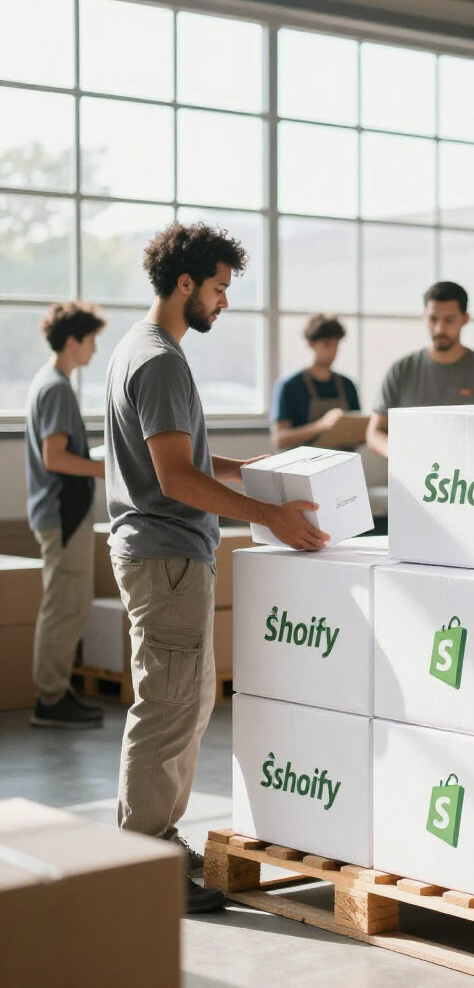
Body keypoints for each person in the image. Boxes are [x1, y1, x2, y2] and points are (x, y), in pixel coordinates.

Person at [105, 222, 328, 914]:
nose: (225, 301)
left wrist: (246, 471)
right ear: (185, 284)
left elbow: (177, 456)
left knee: (188, 701)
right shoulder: (162, 360)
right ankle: (143, 855)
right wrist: (269, 516)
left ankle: (160, 841)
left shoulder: (143, 349)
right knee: (168, 708)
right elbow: (173, 478)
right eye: (220, 288)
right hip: (165, 554)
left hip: (169, 555)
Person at [25, 302, 107, 730]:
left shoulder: (51, 383)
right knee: (64, 607)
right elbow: (55, 456)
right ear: (72, 340)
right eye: (91, 340)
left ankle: (56, 690)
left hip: (61, 514)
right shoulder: (56, 387)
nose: (94, 349)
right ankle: (50, 698)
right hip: (62, 514)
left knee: (68, 605)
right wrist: (106, 467)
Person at [366, 281, 474, 457]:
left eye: (449, 320)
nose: (439, 329)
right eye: (433, 319)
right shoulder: (401, 370)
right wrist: (400, 455)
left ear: (465, 319)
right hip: (410, 474)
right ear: (424, 317)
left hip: (472, 477)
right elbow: (374, 432)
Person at [270, 314, 361, 450]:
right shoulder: (290, 385)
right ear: (311, 344)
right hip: (303, 467)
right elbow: (280, 439)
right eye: (326, 344)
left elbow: (358, 430)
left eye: (336, 344)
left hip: (342, 463)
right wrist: (321, 425)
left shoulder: (347, 385)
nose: (333, 351)